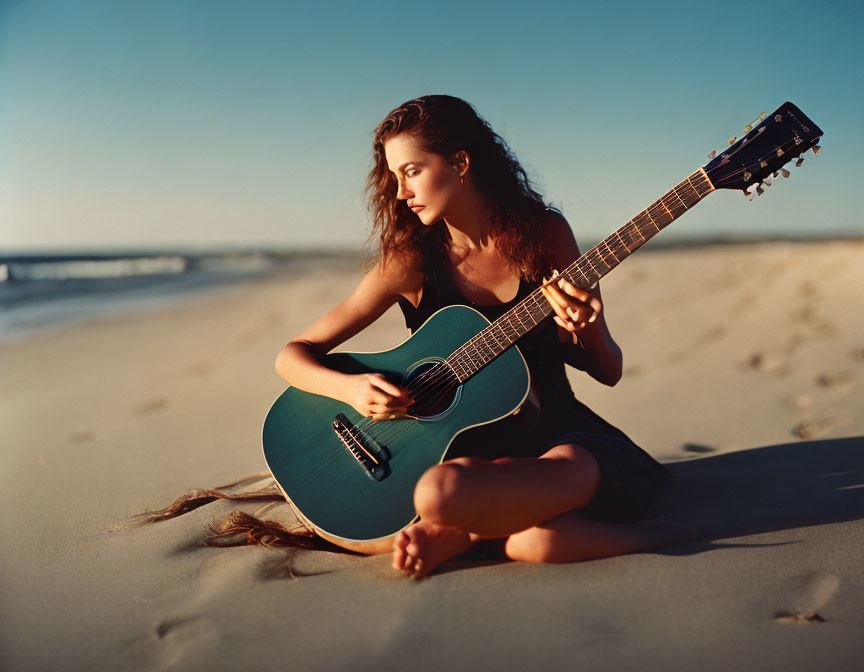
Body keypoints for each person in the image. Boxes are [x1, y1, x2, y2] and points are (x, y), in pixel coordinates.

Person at [274, 95, 678, 579]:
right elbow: (291, 357)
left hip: (557, 433)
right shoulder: (411, 262)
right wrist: (352, 389)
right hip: (464, 454)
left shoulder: (545, 235)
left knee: (559, 485)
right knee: (458, 500)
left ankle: (464, 533)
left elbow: (608, 370)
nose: (401, 193)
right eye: (395, 177)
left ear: (460, 162)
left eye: (412, 171)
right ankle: (479, 524)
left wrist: (584, 324)